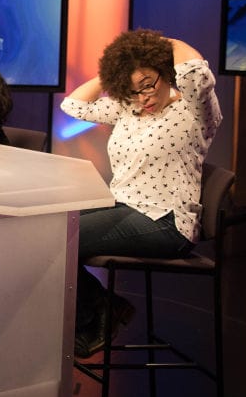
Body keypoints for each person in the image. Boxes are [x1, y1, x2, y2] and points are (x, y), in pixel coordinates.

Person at [61, 30, 222, 358]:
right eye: (133, 91)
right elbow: (73, 104)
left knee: (60, 236)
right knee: (52, 225)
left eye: (149, 84)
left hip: (167, 223)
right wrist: (115, 77)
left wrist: (167, 45)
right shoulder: (127, 109)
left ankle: (94, 319)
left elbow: (196, 75)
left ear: (165, 72)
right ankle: (105, 308)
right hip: (125, 208)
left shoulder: (194, 112)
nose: (144, 97)